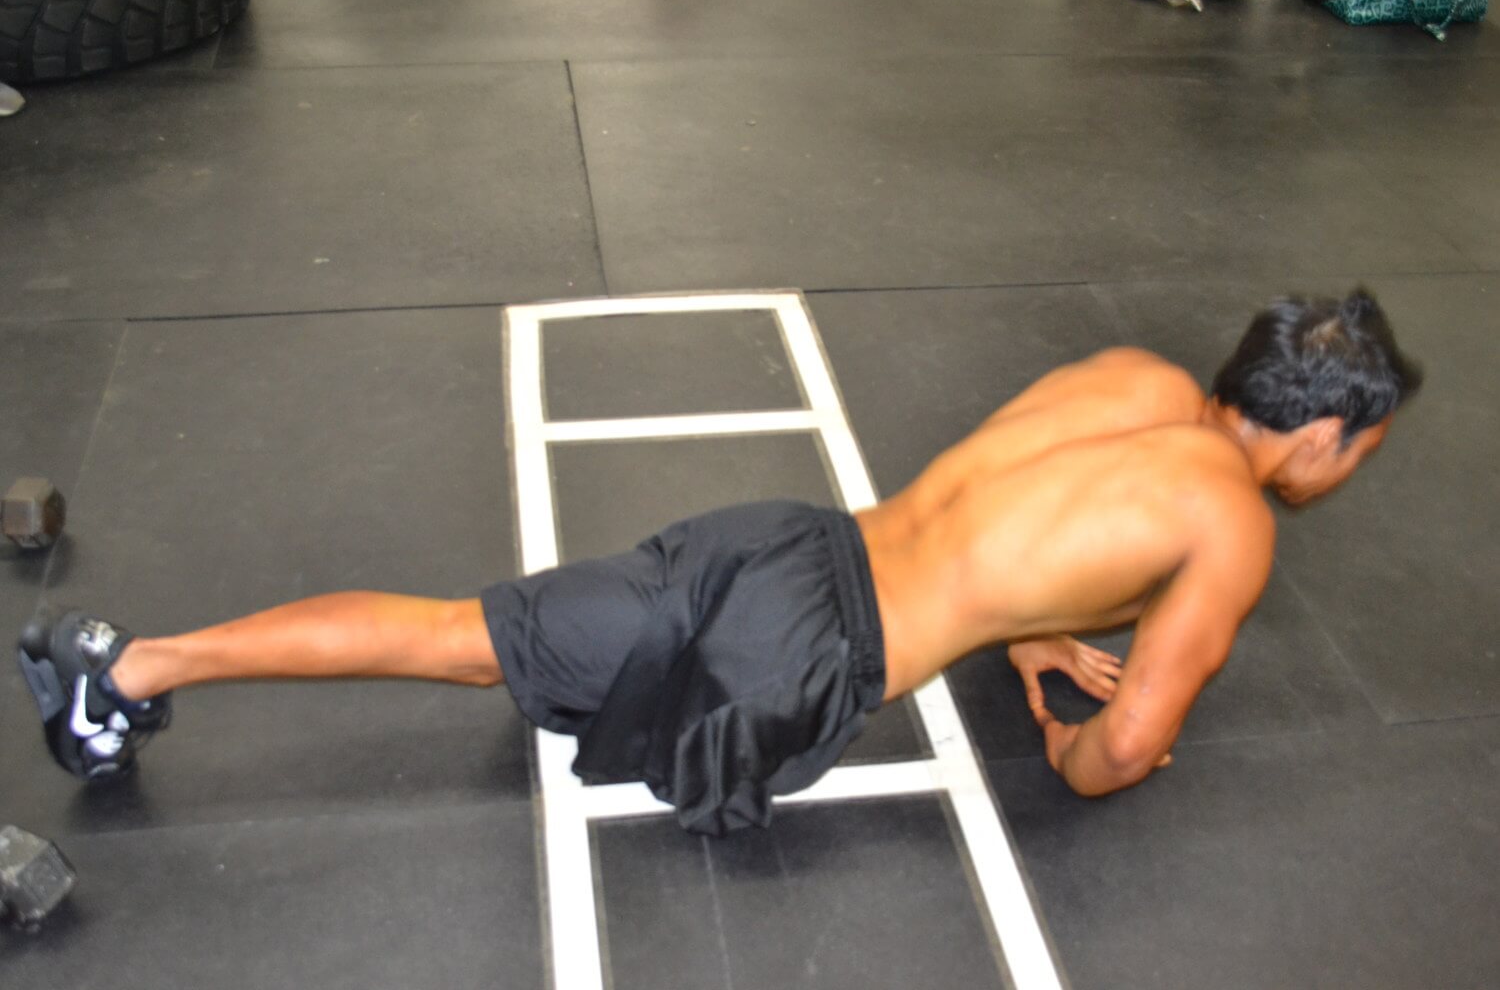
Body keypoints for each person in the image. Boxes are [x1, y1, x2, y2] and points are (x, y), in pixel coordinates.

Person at [17, 288, 1422, 836]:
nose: (1348, 473)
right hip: (802, 655)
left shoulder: (1135, 379)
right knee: (472, 655)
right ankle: (125, 670)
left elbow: (1010, 526)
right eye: (1361, 453)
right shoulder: (1232, 525)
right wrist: (1066, 749)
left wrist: (1029, 623)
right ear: (1324, 437)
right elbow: (1127, 745)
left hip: (785, 541)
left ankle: (132, 670)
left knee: (466, 632)